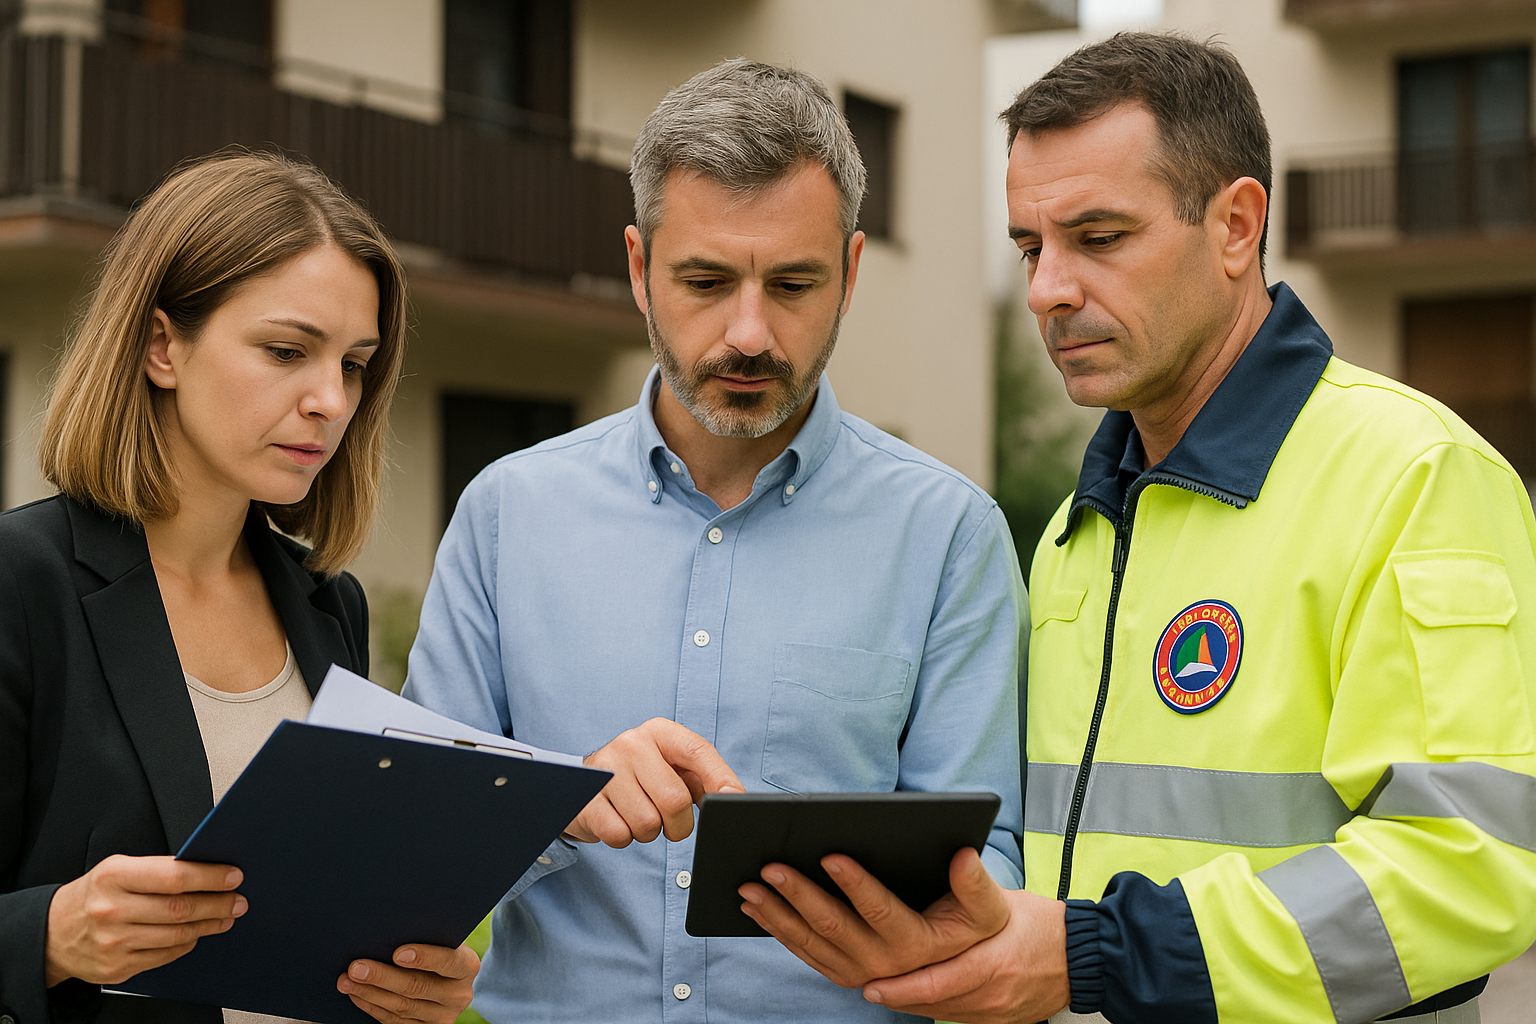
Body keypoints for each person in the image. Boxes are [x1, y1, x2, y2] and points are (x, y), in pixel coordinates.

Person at [739, 31, 1536, 1024]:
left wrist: (1095, 954)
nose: (1047, 290)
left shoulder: (1414, 477)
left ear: (1237, 225)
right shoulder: (1075, 535)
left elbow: (1470, 869)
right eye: (1031, 247)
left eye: (1100, 237)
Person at [401, 58, 1026, 1023]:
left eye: (793, 283)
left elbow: (984, 866)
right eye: (705, 279)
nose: (748, 332)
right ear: (639, 268)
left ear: (852, 273)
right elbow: (413, 855)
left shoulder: (949, 537)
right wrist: (550, 808)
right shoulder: (504, 514)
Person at [0, 151, 480, 1024]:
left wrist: (405, 983)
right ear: (161, 346)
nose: (332, 400)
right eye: (288, 351)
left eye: (355, 364)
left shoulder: (328, 600)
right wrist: (49, 935)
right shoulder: (19, 584)